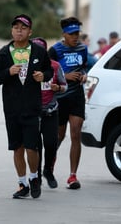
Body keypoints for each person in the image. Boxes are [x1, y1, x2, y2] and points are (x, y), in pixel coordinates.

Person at [0, 14, 53, 199]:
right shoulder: (3, 53)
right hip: (11, 108)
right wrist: (8, 72)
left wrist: (44, 76)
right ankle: (22, 183)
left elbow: (49, 70)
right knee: (17, 147)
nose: (19, 30)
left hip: (32, 107)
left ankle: (34, 177)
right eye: (16, 27)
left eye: (23, 28)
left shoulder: (39, 52)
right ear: (12, 30)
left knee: (31, 147)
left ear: (30, 32)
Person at [48, 17, 87, 190]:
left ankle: (73, 176)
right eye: (72, 34)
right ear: (64, 34)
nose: (75, 37)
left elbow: (84, 66)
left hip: (77, 96)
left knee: (76, 133)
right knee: (59, 136)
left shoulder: (82, 49)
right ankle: (48, 167)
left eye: (77, 33)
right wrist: (66, 76)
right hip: (60, 97)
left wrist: (84, 75)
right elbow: (48, 74)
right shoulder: (55, 50)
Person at [31, 37, 68, 189]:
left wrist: (57, 88)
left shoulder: (55, 66)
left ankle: (48, 170)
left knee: (51, 144)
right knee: (36, 146)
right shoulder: (28, 68)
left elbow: (64, 86)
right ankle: (38, 175)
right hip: (34, 113)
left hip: (51, 111)